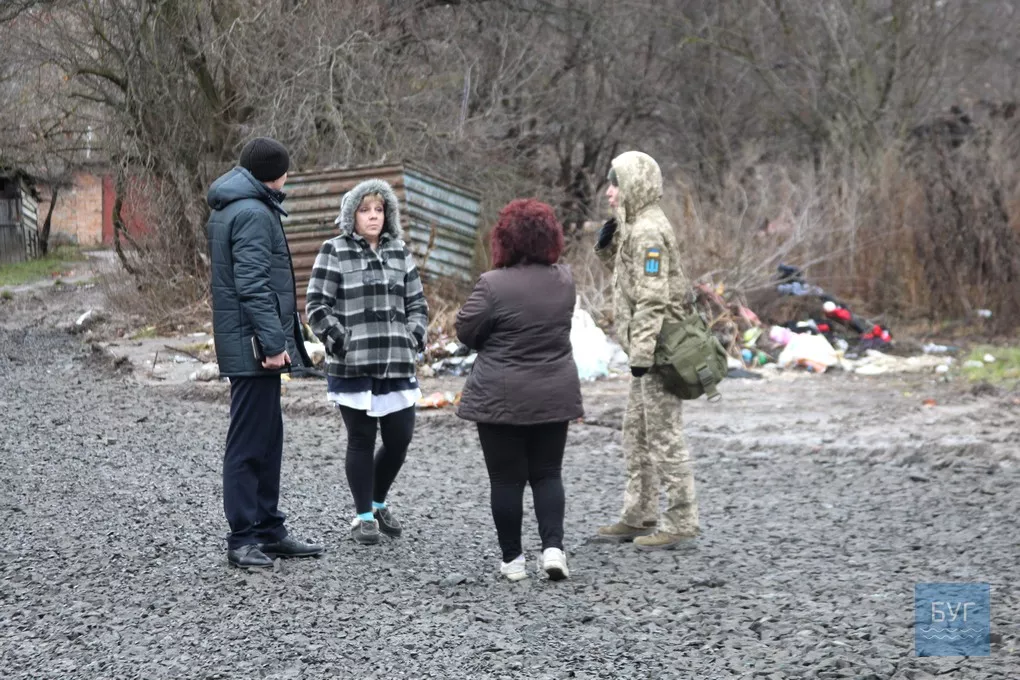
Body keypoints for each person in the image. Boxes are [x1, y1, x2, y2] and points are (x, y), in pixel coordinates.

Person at [206, 136, 324, 569]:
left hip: (248, 343)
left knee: (267, 439)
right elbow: (253, 286)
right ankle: (243, 537)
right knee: (248, 443)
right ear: (276, 173)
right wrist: (274, 346)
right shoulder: (254, 212)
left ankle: (268, 529)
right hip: (253, 348)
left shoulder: (238, 205)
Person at [455, 199, 583, 582]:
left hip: (500, 396)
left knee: (506, 480)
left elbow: (466, 331)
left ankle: (513, 561)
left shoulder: (493, 285)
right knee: (548, 473)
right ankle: (553, 550)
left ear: (505, 240)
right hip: (554, 393)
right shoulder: (565, 280)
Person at [305, 179, 428, 545]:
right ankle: (363, 517)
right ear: (352, 215)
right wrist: (341, 342)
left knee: (399, 439)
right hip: (352, 365)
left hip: (397, 363)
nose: (373, 216)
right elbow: (316, 306)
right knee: (360, 438)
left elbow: (417, 305)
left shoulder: (400, 251)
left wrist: (413, 335)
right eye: (365, 210)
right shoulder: (334, 250)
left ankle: (377, 501)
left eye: (379, 210)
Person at [593, 150, 700, 551]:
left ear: (633, 186)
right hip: (646, 353)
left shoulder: (650, 231)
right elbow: (629, 282)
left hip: (659, 352)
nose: (609, 193)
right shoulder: (633, 226)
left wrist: (641, 355)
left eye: (615, 184)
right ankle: (639, 515)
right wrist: (608, 248)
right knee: (636, 435)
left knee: (664, 436)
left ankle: (682, 522)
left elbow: (653, 299)